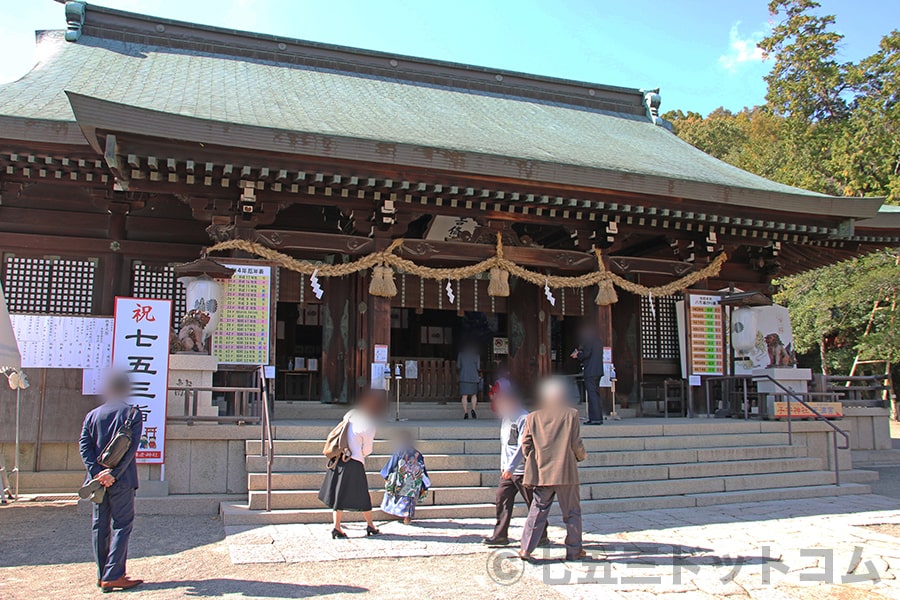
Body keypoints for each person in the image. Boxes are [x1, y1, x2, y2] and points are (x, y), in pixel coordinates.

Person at [78, 372, 143, 592]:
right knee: (122, 524)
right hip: (122, 479)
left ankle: (102, 574)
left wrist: (96, 472)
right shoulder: (132, 414)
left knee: (100, 526)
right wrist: (112, 474)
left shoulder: (92, 415)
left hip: (96, 482)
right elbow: (131, 450)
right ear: (126, 389)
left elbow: (84, 447)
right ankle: (114, 575)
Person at [518, 377, 588, 562]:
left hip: (543, 471)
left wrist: (533, 460)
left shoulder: (533, 417)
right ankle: (574, 550)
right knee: (572, 512)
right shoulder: (571, 414)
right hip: (566, 471)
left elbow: (526, 444)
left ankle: (526, 548)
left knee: (538, 510)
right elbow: (575, 442)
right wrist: (581, 456)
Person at [483, 387, 549, 547]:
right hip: (508, 470)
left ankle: (541, 534)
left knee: (531, 502)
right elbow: (504, 444)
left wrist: (511, 467)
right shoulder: (506, 418)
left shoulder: (524, 418)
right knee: (502, 498)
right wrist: (503, 465)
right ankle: (500, 535)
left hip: (523, 469)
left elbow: (522, 446)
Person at [319, 389, 387, 538]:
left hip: (338, 457)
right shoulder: (369, 425)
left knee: (339, 494)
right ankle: (370, 525)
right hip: (354, 461)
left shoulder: (351, 414)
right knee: (362, 495)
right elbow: (367, 450)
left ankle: (337, 526)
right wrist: (360, 452)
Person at [380, 430, 430, 524]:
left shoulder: (399, 452)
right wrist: (426, 484)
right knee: (410, 500)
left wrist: (386, 475)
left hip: (401, 480)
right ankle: (407, 517)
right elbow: (422, 469)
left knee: (398, 497)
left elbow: (392, 465)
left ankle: (396, 512)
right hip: (414, 482)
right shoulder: (418, 454)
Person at [571, 321, 605, 424]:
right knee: (595, 394)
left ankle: (595, 419)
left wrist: (578, 355)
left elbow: (587, 354)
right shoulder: (599, 341)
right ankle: (598, 417)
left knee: (592, 395)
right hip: (598, 371)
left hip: (590, 371)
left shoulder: (589, 341)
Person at [456, 341, 481, 419]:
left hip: (464, 377)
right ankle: (473, 410)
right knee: (474, 395)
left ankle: (466, 413)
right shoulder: (476, 355)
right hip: (474, 377)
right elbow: (478, 367)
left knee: (464, 396)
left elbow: (458, 366)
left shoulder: (461, 354)